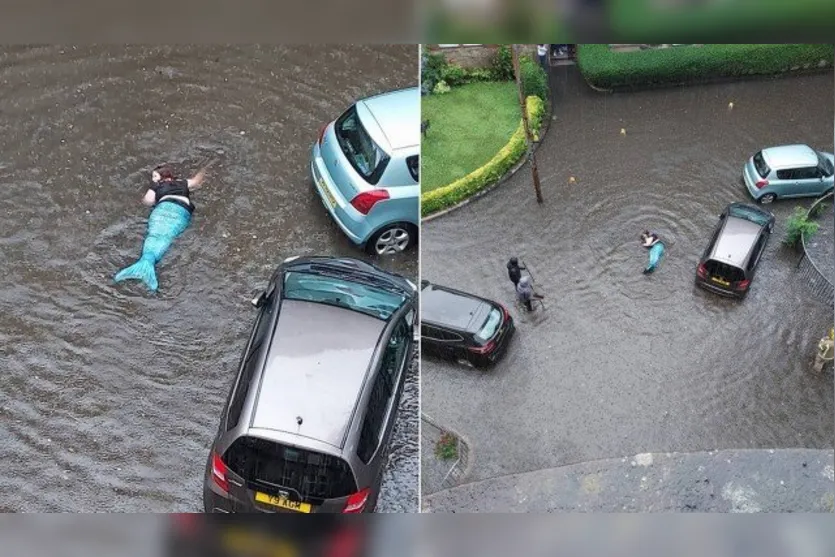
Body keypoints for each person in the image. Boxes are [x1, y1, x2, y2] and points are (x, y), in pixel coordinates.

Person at [114, 164, 208, 292]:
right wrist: (204, 169)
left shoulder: (156, 186)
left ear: (163, 177)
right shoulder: (182, 183)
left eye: (155, 176)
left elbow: (148, 201)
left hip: (162, 209)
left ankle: (145, 263)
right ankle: (147, 265)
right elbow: (197, 181)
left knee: (154, 234)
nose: (153, 179)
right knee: (167, 236)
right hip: (181, 213)